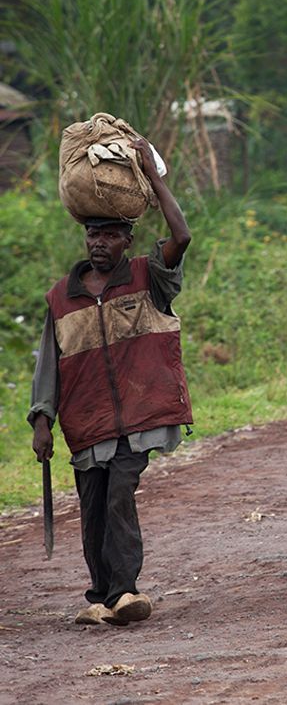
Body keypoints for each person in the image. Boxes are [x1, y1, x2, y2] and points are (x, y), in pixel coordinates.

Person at [29, 136, 192, 626]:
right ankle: (100, 594)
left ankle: (126, 590)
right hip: (87, 420)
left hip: (138, 416)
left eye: (108, 235)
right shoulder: (62, 298)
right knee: (93, 504)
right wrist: (42, 419)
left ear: (128, 239)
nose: (98, 243)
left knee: (120, 493)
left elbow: (181, 237)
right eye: (92, 235)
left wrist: (156, 179)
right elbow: (48, 366)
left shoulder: (149, 277)